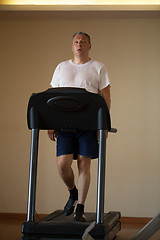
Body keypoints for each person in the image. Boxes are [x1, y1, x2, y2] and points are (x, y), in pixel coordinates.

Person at [48, 32, 111, 222]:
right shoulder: (61, 67)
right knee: (62, 164)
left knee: (84, 162)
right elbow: (51, 96)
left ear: (89, 46)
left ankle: (80, 208)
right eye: (76, 42)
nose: (79, 44)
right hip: (64, 123)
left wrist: (103, 126)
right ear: (72, 46)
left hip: (88, 123)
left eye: (83, 42)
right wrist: (51, 123)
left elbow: (106, 98)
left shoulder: (98, 67)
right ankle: (73, 192)